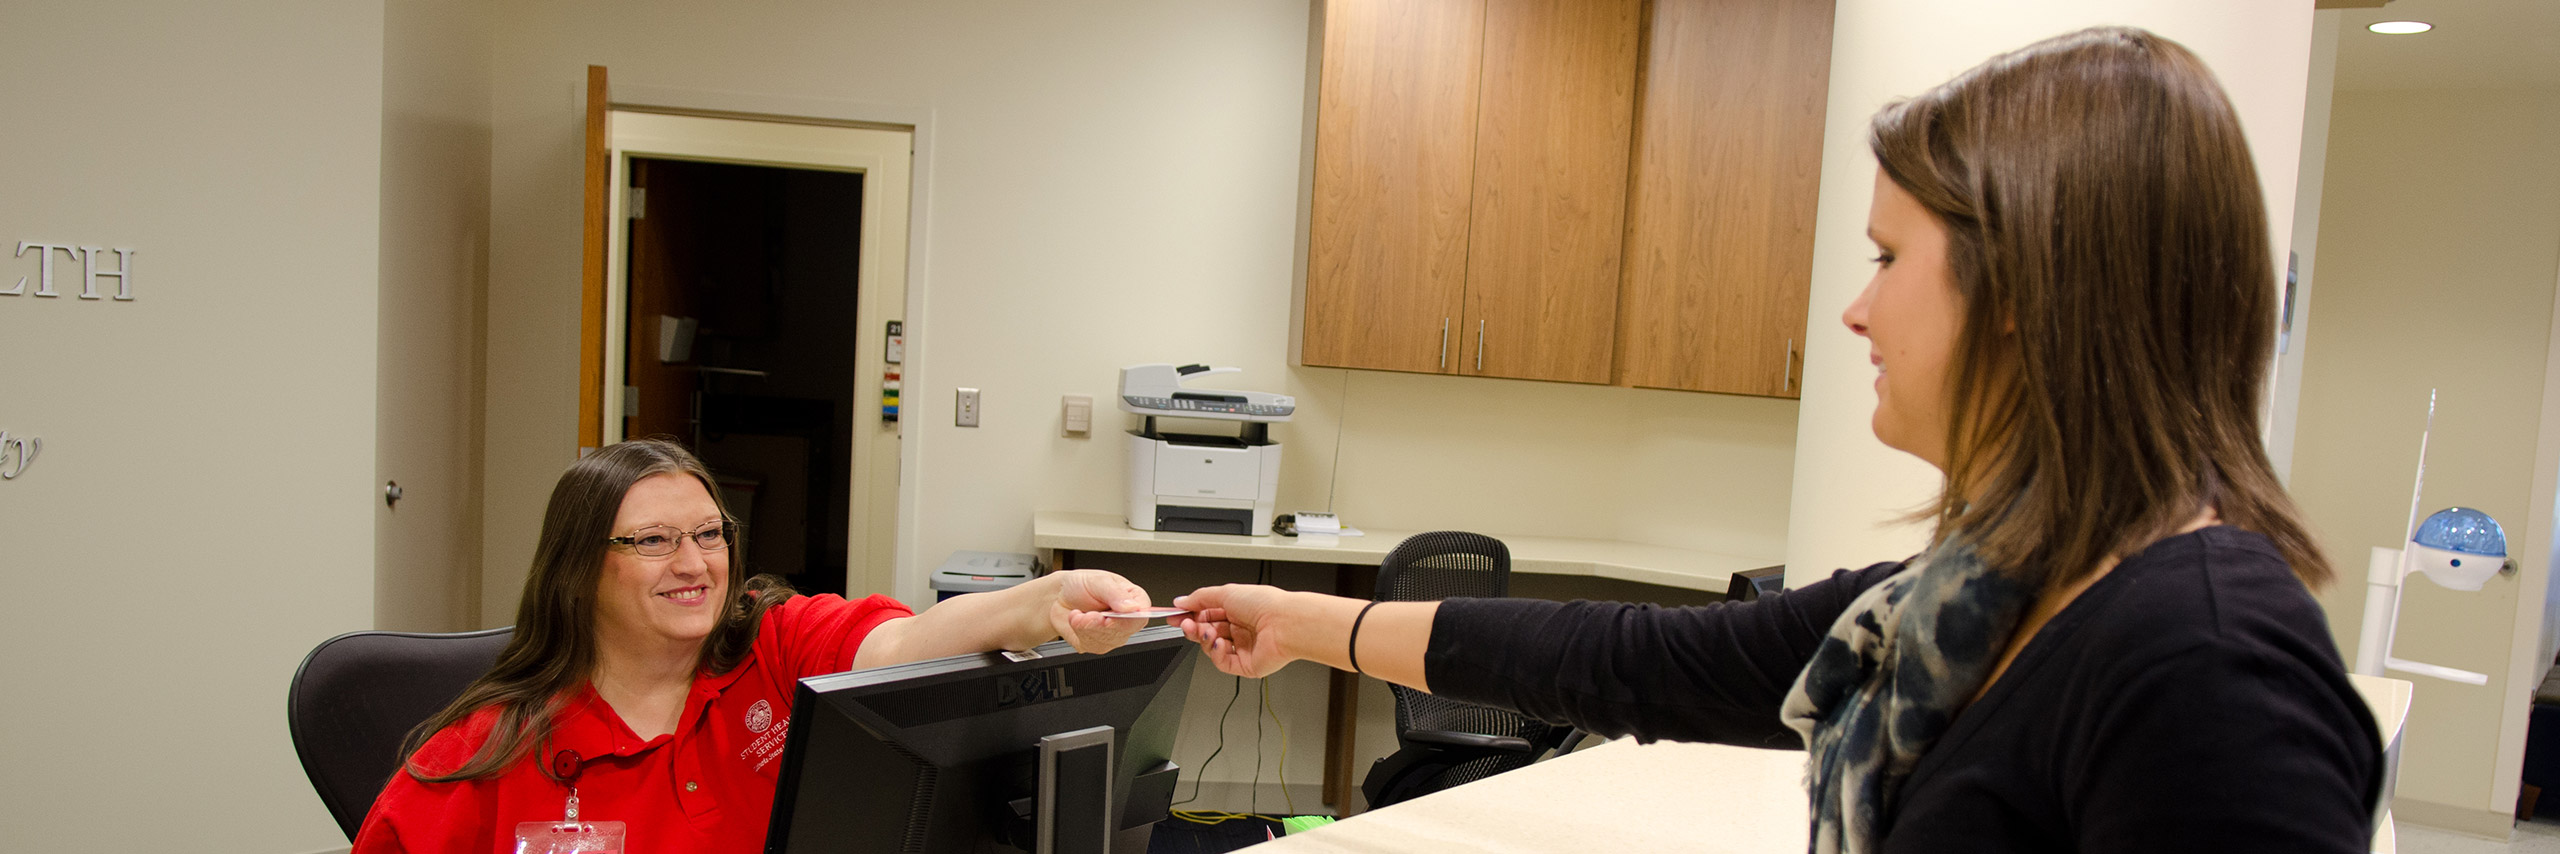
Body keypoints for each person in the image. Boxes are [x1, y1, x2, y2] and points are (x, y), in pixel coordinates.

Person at [1174, 26, 2383, 854]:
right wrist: (1306, 622)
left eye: (1888, 256)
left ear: (2028, 284)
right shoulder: (1977, 595)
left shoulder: (2207, 668)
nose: (1854, 308)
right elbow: (1635, 659)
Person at [352, 438, 1153, 853]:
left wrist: (1050, 600)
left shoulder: (770, 645)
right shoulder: (490, 751)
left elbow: (901, 642)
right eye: (656, 541)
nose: (696, 564)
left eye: (709, 533)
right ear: (579, 568)